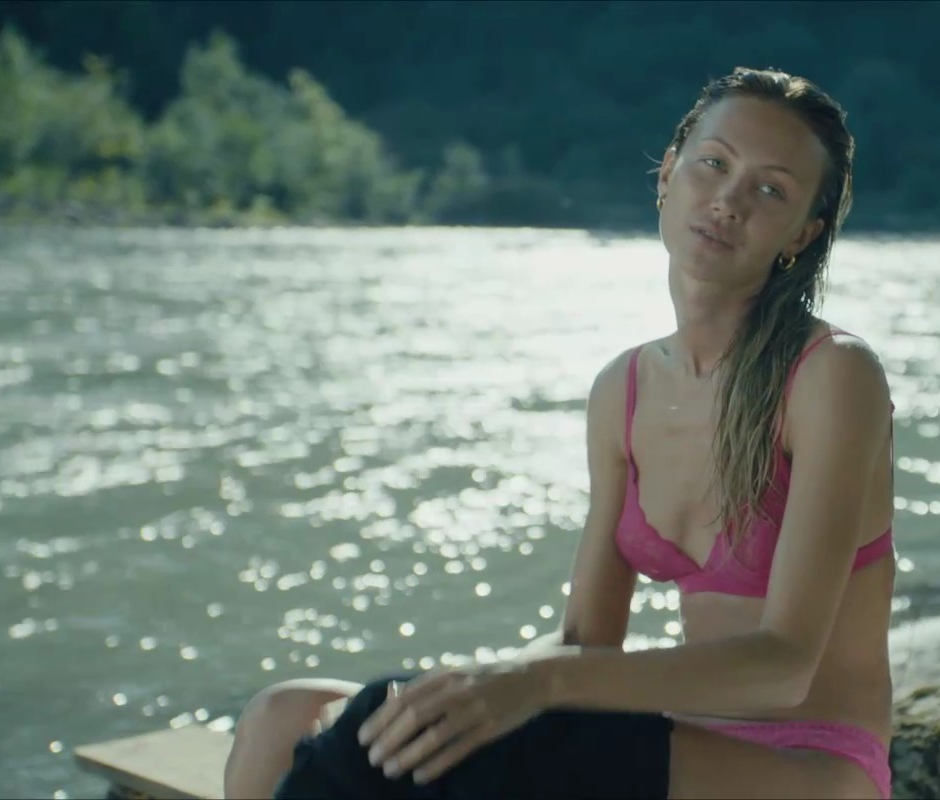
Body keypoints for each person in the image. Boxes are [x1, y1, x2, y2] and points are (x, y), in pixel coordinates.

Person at [221, 66, 898, 800]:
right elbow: (585, 641)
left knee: (390, 746)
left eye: (769, 190)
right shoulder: (624, 390)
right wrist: (478, 684)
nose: (728, 200)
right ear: (668, 174)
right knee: (285, 716)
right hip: (679, 744)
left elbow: (783, 666)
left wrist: (533, 685)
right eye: (713, 164)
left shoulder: (832, 376)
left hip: (808, 766)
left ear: (803, 232)